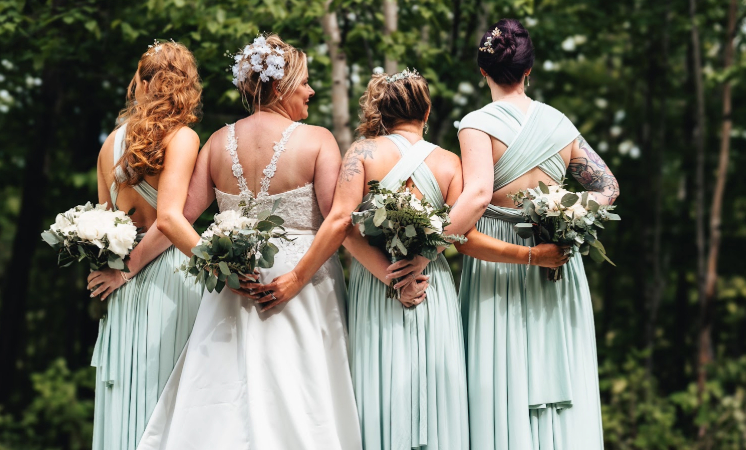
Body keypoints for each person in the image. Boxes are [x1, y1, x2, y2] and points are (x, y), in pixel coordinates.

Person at [259, 68, 569, 450]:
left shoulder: (361, 153)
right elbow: (464, 236)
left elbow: (342, 226)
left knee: (379, 388)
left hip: (377, 284)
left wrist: (392, 277)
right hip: (431, 287)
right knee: (436, 387)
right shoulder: (450, 163)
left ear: (380, 112)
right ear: (426, 113)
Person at [135, 34, 361, 450]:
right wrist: (294, 279)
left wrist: (137, 265)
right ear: (279, 86)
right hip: (302, 287)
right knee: (302, 398)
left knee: (225, 401)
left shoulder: (216, 143)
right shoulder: (318, 140)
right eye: (305, 82)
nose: (311, 91)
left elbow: (178, 220)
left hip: (233, 289)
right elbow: (339, 221)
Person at [456, 18, 619, 449]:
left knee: (499, 377)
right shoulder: (559, 124)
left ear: (483, 71)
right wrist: (562, 213)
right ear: (530, 70)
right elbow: (609, 188)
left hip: (498, 265)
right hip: (557, 257)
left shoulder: (476, 125)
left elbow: (475, 198)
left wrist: (435, 241)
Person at [85, 40, 204, 450]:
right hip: (168, 279)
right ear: (186, 85)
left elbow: (102, 224)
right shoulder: (183, 138)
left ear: (141, 81)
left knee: (128, 395)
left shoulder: (110, 144)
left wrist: (118, 270)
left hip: (122, 285)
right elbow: (171, 220)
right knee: (168, 398)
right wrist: (219, 264)